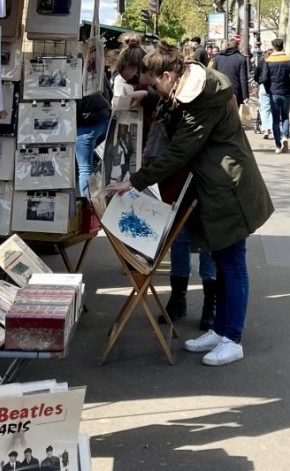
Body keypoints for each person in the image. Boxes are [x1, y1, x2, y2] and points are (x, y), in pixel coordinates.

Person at [106, 41, 274, 366]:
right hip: (219, 181)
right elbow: (175, 111)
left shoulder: (199, 98)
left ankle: (232, 338)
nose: (155, 90)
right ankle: (222, 330)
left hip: (229, 184)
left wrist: (135, 181)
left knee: (232, 264)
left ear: (168, 76)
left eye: (155, 84)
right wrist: (149, 95)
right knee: (225, 261)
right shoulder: (192, 86)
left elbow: (180, 150)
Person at [75, 46, 114, 196]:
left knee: (85, 168)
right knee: (99, 163)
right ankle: (98, 198)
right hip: (103, 120)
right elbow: (109, 92)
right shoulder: (97, 70)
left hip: (85, 125)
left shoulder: (73, 74)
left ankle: (88, 202)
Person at [260, 38, 290, 153]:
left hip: (273, 92)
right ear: (282, 46)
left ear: (273, 46)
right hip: (286, 92)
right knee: (285, 116)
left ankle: (277, 145)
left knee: (275, 119)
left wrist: (267, 89)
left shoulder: (268, 60)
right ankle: (285, 136)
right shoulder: (289, 59)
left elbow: (265, 78)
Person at [210, 38, 250, 105]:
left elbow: (213, 75)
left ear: (227, 46)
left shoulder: (218, 58)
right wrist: (245, 96)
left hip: (220, 90)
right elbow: (243, 79)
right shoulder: (241, 58)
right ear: (237, 46)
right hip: (235, 92)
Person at [254, 49, 274, 138]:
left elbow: (255, 75)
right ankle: (272, 128)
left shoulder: (262, 63)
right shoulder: (275, 63)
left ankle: (265, 129)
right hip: (274, 87)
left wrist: (259, 81)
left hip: (263, 86)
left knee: (264, 108)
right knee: (273, 108)